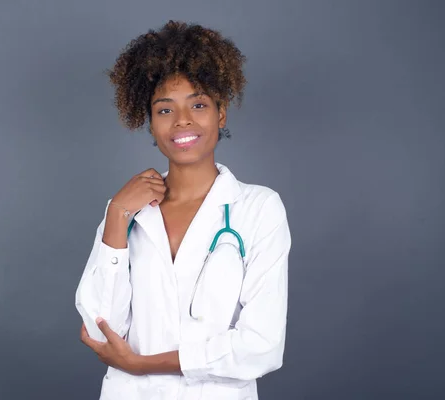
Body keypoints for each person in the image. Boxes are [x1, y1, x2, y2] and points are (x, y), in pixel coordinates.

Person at [75, 20, 291, 400]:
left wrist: (144, 364)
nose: (182, 121)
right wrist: (118, 215)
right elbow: (98, 330)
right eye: (164, 110)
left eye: (199, 104)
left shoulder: (258, 208)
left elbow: (261, 347)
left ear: (221, 114)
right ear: (150, 124)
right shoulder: (127, 210)